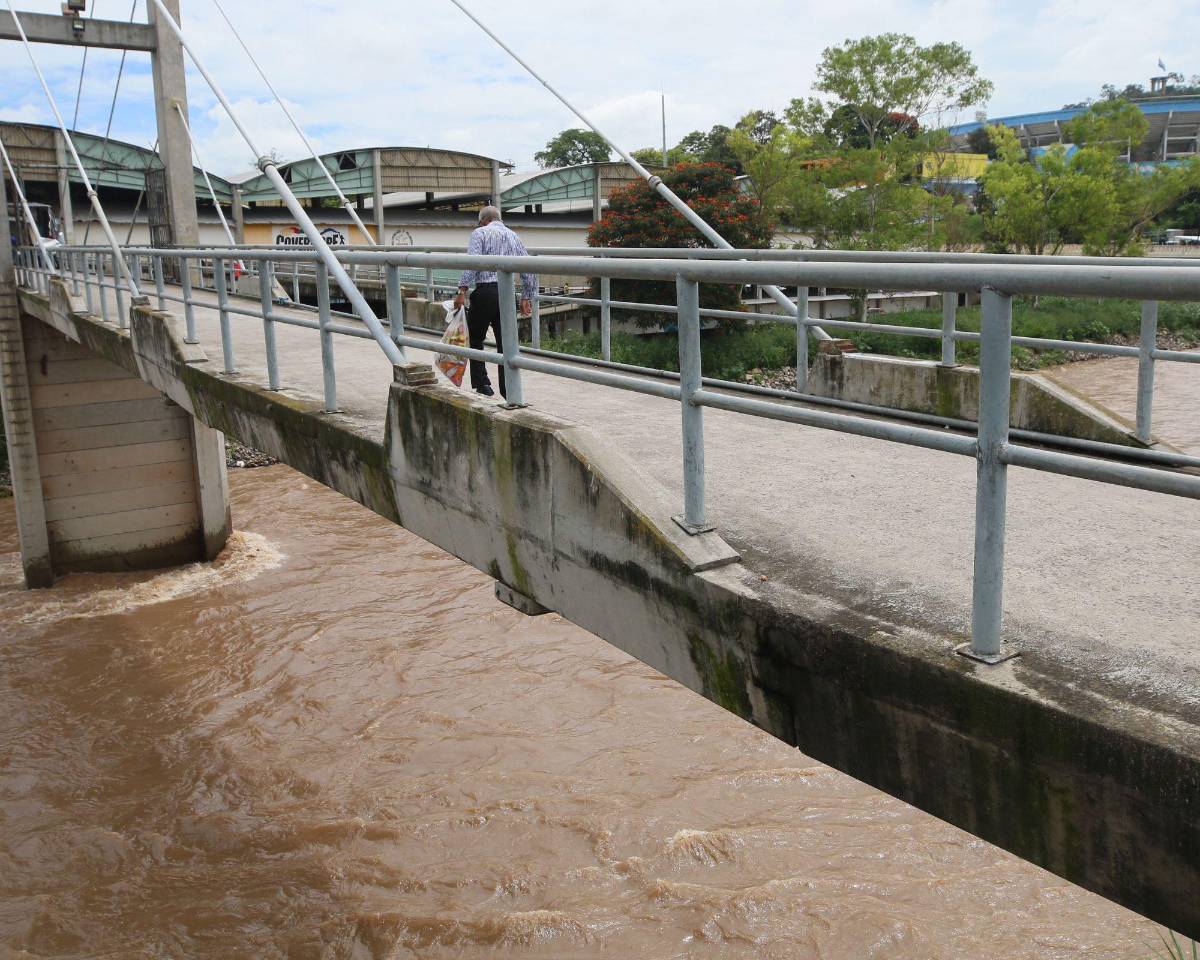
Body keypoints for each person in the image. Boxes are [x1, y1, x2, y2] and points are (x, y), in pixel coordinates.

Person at [454, 206, 535, 398]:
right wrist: (526, 296)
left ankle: (483, 384)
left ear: (483, 220)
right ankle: (509, 390)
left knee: (475, 338)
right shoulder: (513, 235)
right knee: (506, 343)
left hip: (485, 291)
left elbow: (473, 262)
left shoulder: (479, 233)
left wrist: (461, 290)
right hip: (507, 292)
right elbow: (528, 266)